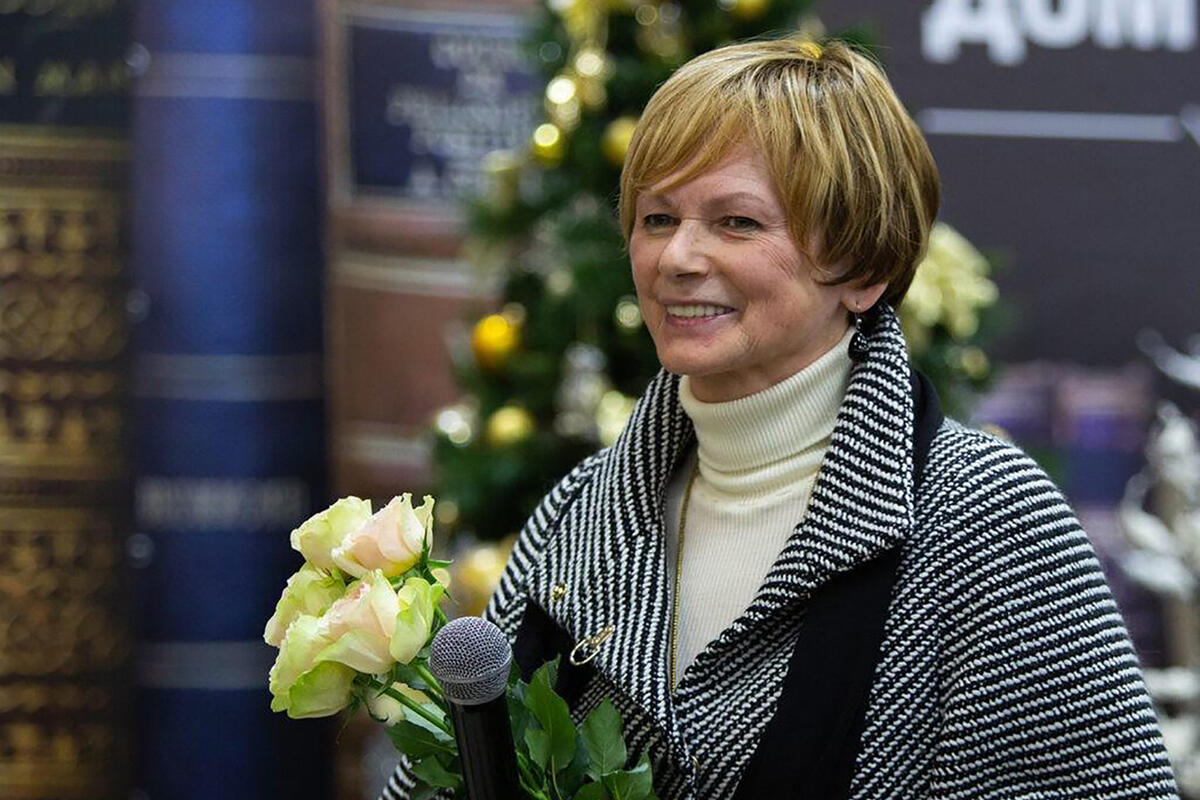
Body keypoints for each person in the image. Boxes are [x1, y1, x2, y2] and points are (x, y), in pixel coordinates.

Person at [384, 36, 1178, 800]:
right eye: (657, 219)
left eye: (736, 222)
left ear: (863, 269)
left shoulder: (987, 518)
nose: (676, 258)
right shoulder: (580, 509)